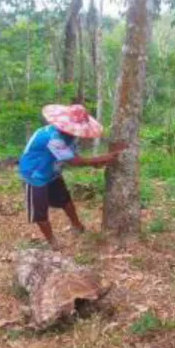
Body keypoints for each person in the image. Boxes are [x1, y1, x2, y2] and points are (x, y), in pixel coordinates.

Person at [18, 102, 125, 249]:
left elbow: (71, 155)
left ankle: (77, 226)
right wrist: (101, 159)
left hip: (52, 171)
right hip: (35, 174)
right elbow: (75, 161)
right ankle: (52, 242)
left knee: (65, 200)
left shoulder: (69, 136)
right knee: (40, 212)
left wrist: (93, 162)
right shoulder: (52, 137)